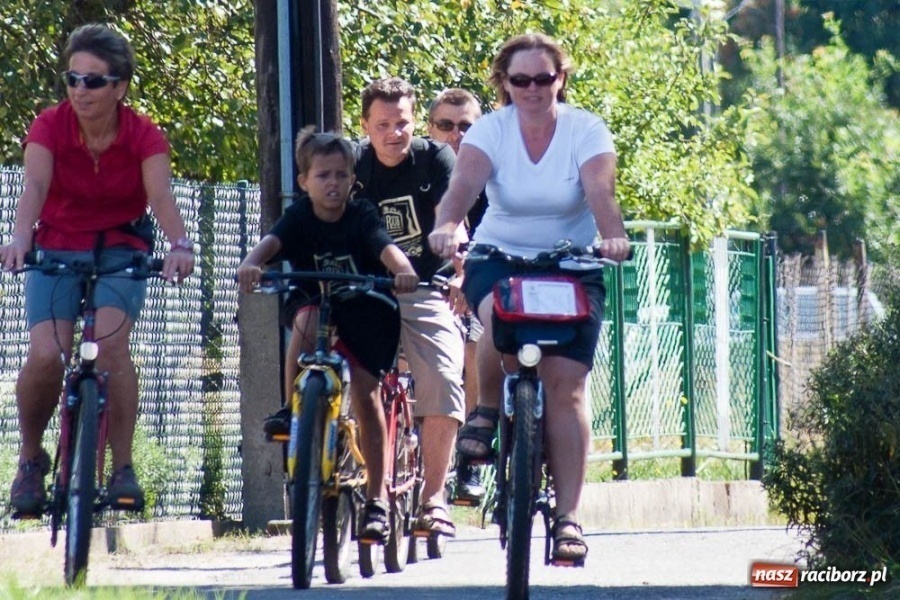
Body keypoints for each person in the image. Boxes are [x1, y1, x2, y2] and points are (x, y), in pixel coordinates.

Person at [428, 33, 631, 563]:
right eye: (522, 80)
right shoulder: (490, 131)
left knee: (565, 390)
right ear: (504, 83)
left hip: (574, 260)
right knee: (496, 311)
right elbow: (463, 187)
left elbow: (600, 193)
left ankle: (568, 519)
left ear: (561, 79)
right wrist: (448, 225)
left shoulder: (585, 129)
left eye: (544, 78)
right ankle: (488, 409)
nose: (534, 89)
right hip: (501, 252)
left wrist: (612, 236)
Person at [1, 23, 195, 516]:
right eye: (72, 79)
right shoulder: (49, 126)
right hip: (57, 245)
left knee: (110, 348)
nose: (80, 91)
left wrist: (179, 243)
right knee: (48, 353)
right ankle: (29, 459)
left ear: (120, 86)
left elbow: (160, 195)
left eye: (93, 81)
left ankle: (122, 467)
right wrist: (21, 237)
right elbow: (35, 189)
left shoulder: (143, 133)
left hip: (120, 248)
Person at [237, 127, 419, 542]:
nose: (332, 183)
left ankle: (376, 499)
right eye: (322, 176)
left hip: (366, 308)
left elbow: (385, 247)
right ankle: (290, 408)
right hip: (314, 302)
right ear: (304, 182)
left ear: (352, 180)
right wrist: (250, 264)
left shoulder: (362, 214)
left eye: (340, 175)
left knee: (367, 394)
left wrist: (403, 271)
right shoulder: (299, 215)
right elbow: (270, 244)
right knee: (304, 317)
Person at [353, 77, 466, 538]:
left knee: (442, 375)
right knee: (344, 372)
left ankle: (433, 498)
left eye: (402, 123)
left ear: (414, 120)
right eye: (382, 124)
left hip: (426, 286)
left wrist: (457, 259)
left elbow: (452, 215)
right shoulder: (351, 162)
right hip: (364, 289)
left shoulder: (435, 158)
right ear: (364, 125)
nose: (394, 133)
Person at [426, 88, 488, 504]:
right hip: (425, 280)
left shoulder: (492, 175)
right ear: (429, 128)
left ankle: (468, 458)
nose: (456, 134)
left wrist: (471, 277)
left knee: (474, 346)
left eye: (466, 126)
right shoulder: (419, 168)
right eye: (446, 125)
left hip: (480, 276)